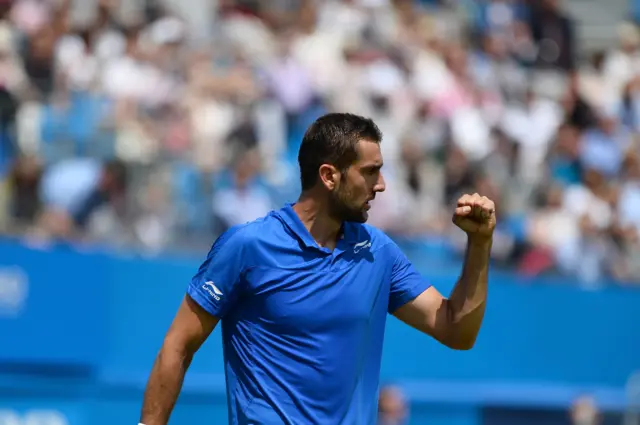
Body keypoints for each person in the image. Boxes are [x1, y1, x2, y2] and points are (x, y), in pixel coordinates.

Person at [139, 113, 495, 425]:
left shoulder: (378, 252)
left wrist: (479, 245)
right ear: (329, 176)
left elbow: (456, 331)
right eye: (370, 172)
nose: (381, 185)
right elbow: (178, 345)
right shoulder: (246, 247)